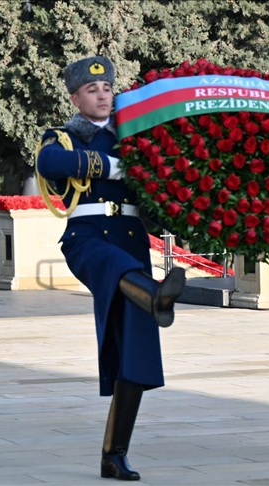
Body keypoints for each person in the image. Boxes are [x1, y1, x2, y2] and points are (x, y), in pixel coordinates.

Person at [35, 56, 186, 481]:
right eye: (91, 90)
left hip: (133, 241)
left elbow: (156, 196)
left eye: (106, 89)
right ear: (75, 97)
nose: (102, 95)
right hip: (89, 240)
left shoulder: (134, 138)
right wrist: (119, 168)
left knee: (134, 351)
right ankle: (157, 295)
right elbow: (52, 166)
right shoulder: (64, 138)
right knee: (114, 264)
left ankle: (114, 454)